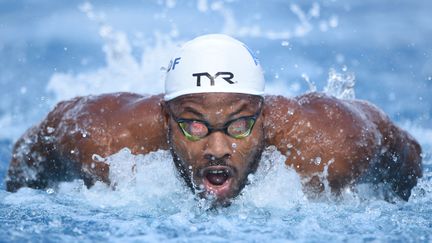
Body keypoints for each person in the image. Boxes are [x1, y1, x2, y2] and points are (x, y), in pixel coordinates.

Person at [5, 34, 422, 205]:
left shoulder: (332, 144)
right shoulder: (104, 138)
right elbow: (27, 156)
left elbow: (409, 156)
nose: (218, 149)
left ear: (265, 117)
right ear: (165, 118)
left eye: (239, 126)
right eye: (196, 126)